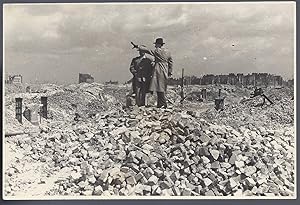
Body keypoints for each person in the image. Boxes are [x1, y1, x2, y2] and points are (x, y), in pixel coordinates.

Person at [137, 38, 173, 108]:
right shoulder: (168, 51)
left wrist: (138, 46)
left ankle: (163, 104)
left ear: (159, 44)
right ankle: (160, 104)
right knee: (161, 87)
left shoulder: (157, 51)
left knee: (159, 88)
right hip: (165, 70)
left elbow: (148, 50)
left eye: (156, 44)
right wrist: (170, 72)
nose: (155, 46)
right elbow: (171, 62)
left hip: (158, 70)